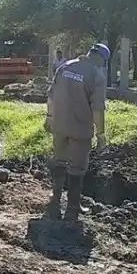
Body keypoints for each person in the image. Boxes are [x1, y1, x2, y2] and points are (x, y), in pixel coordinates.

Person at [44, 43, 110, 221]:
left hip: (59, 125)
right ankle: (73, 206)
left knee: (59, 160)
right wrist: (101, 134)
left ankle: (55, 197)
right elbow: (98, 109)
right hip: (79, 129)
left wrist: (49, 117)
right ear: (103, 60)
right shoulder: (97, 76)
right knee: (77, 167)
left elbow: (51, 95)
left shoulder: (65, 67)